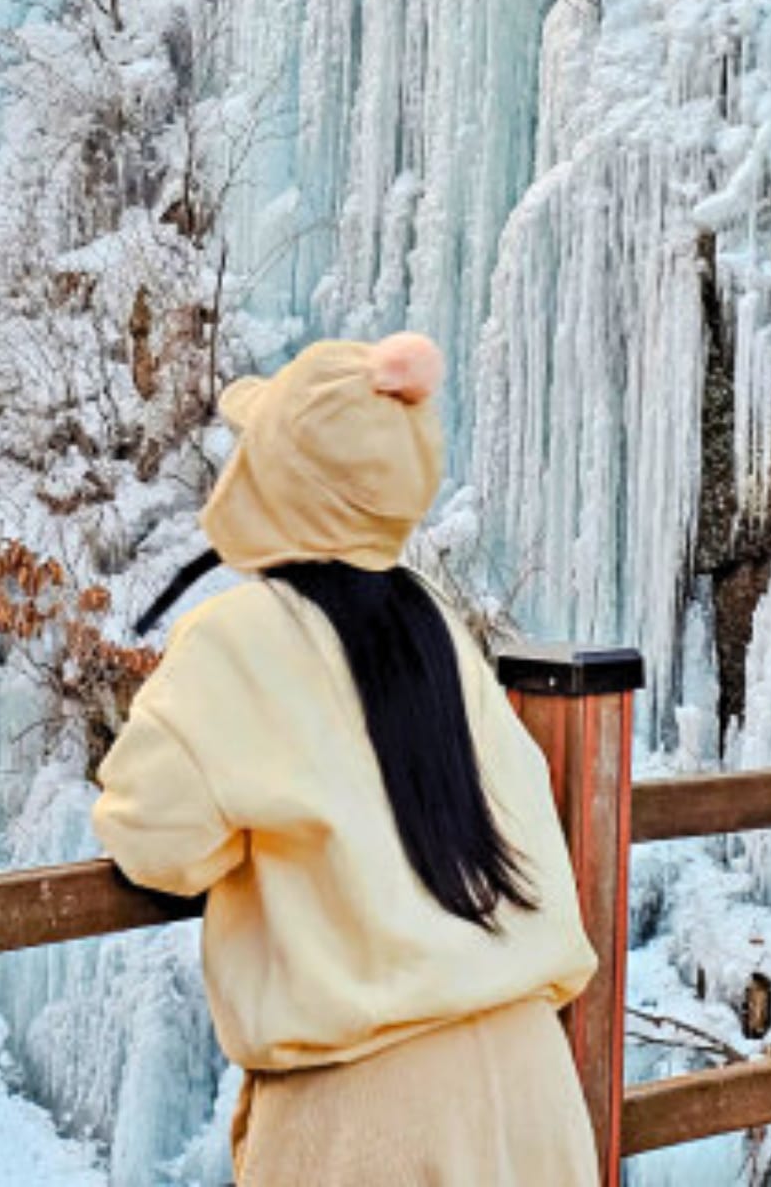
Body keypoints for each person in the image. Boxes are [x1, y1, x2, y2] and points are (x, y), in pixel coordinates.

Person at [91, 332, 601, 1186]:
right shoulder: (435, 628)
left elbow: (155, 838)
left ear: (272, 480)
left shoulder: (238, 637)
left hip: (372, 1114)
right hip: (530, 1094)